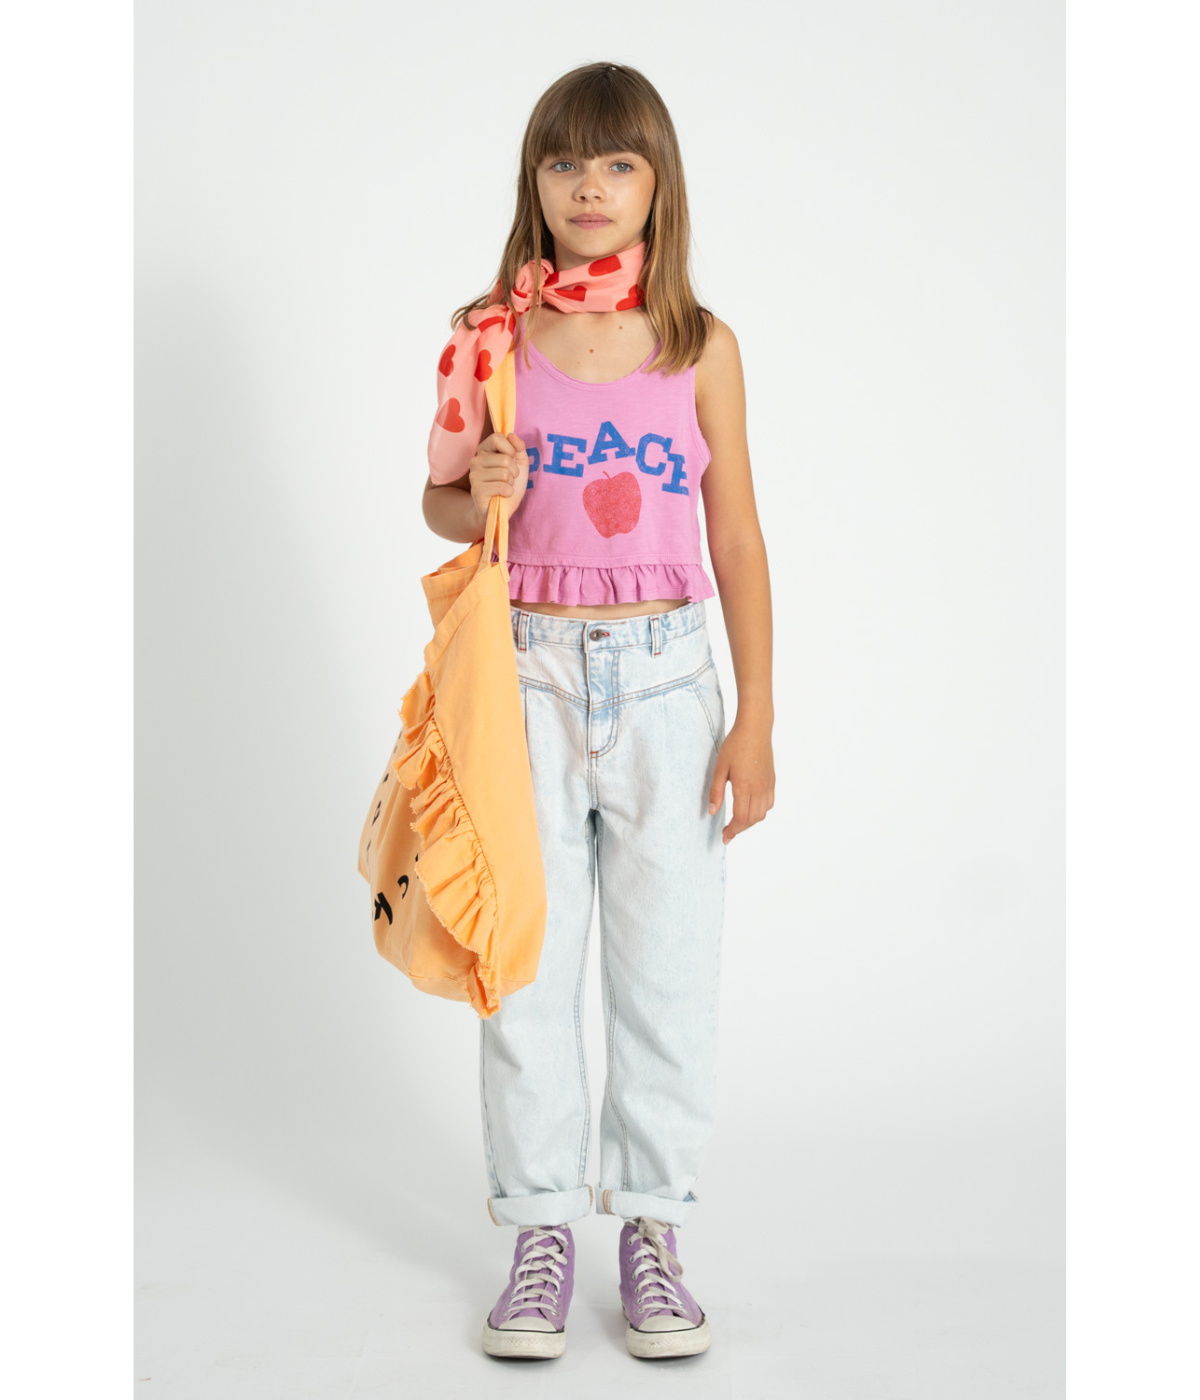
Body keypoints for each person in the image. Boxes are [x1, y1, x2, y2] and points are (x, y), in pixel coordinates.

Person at [422, 60, 775, 1361]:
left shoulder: (700, 346)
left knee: (665, 977)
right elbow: (440, 504)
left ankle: (654, 1228)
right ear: (536, 180)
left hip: (672, 684)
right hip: (525, 679)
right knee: (523, 973)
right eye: (565, 161)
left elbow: (735, 537)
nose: (589, 185)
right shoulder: (491, 340)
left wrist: (755, 716)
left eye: (617, 162)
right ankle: (537, 1232)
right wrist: (480, 489)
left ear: (657, 184)